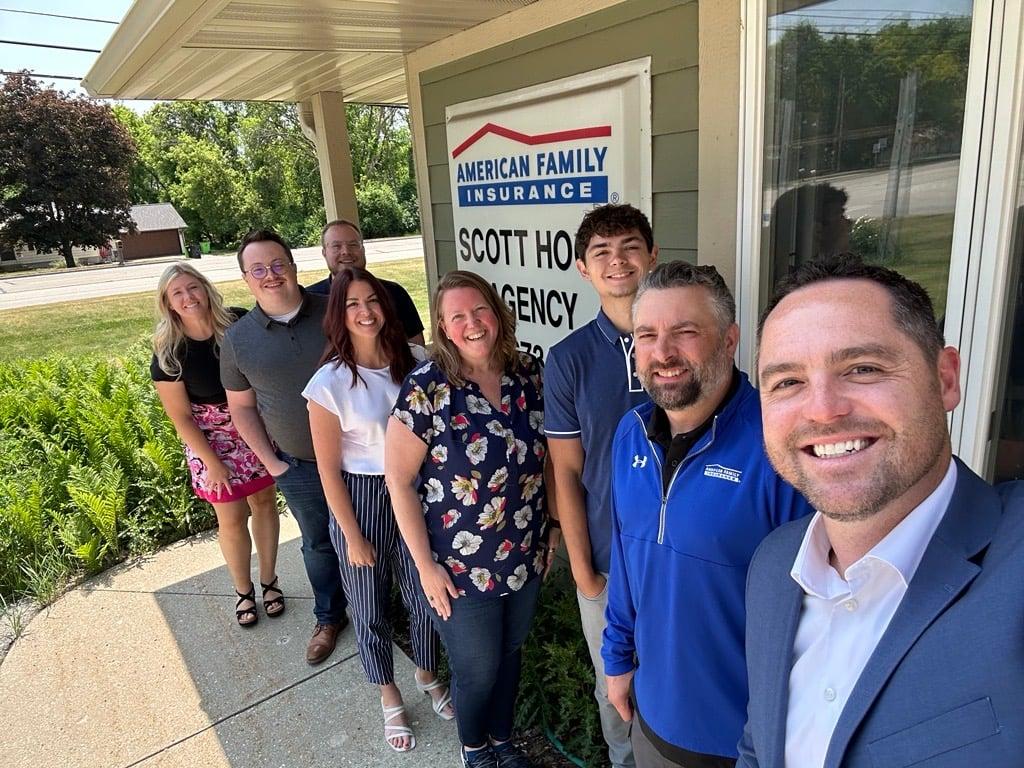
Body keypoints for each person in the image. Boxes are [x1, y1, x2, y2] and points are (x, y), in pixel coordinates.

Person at [738, 255, 1024, 767]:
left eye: (863, 368)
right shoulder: (772, 567)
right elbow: (759, 746)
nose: (823, 409)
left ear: (945, 379)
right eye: (787, 382)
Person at [602, 261, 811, 768]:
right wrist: (616, 659)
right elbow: (626, 556)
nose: (663, 352)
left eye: (685, 332)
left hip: (745, 739)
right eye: (647, 334)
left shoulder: (780, 445)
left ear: (729, 339)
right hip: (652, 716)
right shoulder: (630, 433)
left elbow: (814, 607)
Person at [385, 270, 555, 768]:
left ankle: (502, 740)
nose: (472, 323)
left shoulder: (527, 374)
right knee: (478, 669)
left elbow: (546, 461)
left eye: (479, 310)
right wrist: (425, 568)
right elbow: (399, 481)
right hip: (459, 567)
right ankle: (475, 747)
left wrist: (554, 532)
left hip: (524, 551)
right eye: (457, 316)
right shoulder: (427, 388)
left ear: (496, 313)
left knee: (510, 655)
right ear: (441, 325)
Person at [303, 267, 453, 752]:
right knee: (368, 605)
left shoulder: (415, 361)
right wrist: (351, 535)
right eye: (352, 304)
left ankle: (427, 674)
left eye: (372, 301)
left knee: (425, 593)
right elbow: (328, 471)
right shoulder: (329, 383)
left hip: (414, 492)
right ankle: (389, 694)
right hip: (363, 497)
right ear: (339, 315)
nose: (364, 311)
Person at [545, 203, 658, 768]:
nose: (618, 261)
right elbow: (566, 469)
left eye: (630, 246)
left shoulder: (683, 341)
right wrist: (582, 568)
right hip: (610, 559)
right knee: (614, 686)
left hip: (683, 553)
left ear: (652, 256)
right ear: (584, 269)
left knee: (680, 677)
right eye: (601, 252)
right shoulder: (568, 360)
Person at [220, 229, 349, 664]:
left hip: (358, 459)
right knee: (317, 543)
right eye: (258, 269)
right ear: (245, 278)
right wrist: (272, 464)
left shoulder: (333, 312)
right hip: (298, 465)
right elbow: (241, 408)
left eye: (277, 264)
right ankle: (329, 617)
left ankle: (379, 610)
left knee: (371, 535)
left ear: (293, 266)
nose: (270, 275)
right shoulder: (238, 339)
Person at [150, 263, 281, 627]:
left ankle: (269, 581)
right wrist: (212, 463)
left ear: (205, 289)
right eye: (178, 293)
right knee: (232, 516)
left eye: (193, 288)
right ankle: (244, 592)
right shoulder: (169, 353)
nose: (188, 297)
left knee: (265, 504)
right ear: (169, 303)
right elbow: (182, 419)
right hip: (212, 442)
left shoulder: (238, 323)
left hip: (253, 428)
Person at [307, 219, 425, 344]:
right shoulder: (310, 299)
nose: (346, 251)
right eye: (336, 246)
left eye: (353, 244)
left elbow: (417, 346)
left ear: (363, 249)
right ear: (324, 253)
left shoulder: (394, 293)